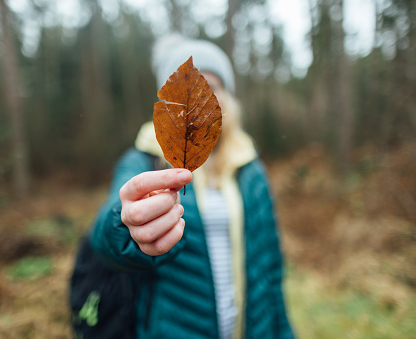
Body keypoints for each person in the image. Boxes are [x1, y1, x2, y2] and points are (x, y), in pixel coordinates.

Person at [75, 34, 294, 339]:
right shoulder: (144, 159)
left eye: (211, 87)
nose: (198, 100)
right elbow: (105, 233)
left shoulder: (250, 168)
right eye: (186, 92)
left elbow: (270, 269)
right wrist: (127, 224)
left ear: (227, 99)